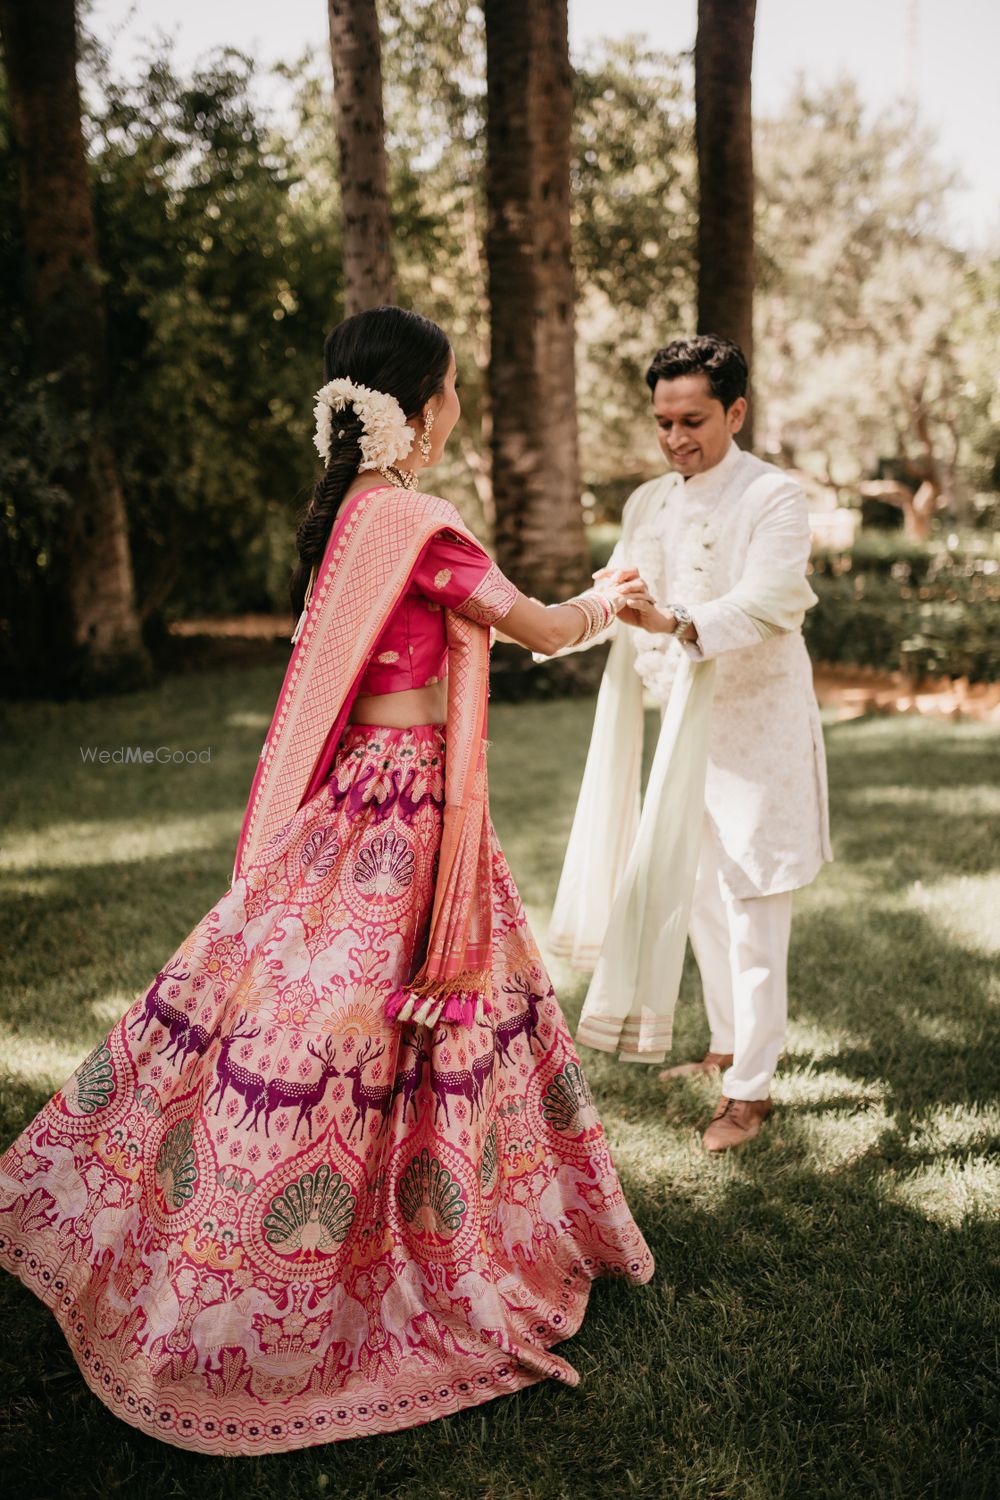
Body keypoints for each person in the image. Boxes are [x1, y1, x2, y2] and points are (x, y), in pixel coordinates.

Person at [0, 306, 653, 1456]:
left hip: (349, 796)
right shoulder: (420, 523)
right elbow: (541, 630)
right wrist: (613, 596)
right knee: (358, 1035)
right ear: (421, 402)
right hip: (410, 815)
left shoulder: (349, 517)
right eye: (452, 391)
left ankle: (224, 1225)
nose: (458, 410)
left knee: (289, 1008)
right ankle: (290, 1264)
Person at [534, 335, 831, 1153]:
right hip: (680, 730)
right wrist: (552, 626)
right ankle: (727, 1048)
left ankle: (752, 1093)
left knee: (754, 905)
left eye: (692, 420)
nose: (674, 439)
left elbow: (774, 600)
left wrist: (673, 623)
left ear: (735, 411)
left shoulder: (774, 496)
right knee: (700, 893)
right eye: (662, 422)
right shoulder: (648, 502)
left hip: (755, 727)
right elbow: (622, 591)